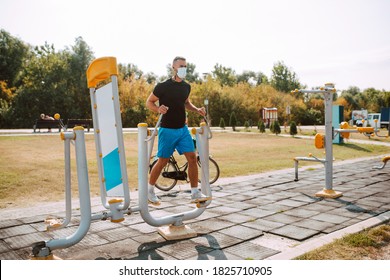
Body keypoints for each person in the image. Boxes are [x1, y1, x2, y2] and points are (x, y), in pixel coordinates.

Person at [146, 56, 210, 205]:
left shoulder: (186, 87)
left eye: (185, 66)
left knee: (192, 158)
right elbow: (149, 102)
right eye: (181, 66)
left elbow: (186, 103)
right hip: (167, 130)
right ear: (173, 67)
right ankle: (149, 191)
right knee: (162, 161)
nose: (184, 69)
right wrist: (158, 108)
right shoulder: (162, 86)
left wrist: (196, 109)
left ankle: (194, 192)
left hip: (183, 130)